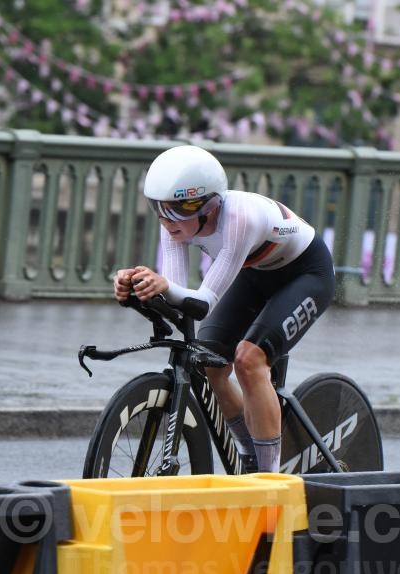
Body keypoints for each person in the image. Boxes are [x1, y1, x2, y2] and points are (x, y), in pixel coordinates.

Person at [114, 145, 335, 473]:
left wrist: (163, 286)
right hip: (255, 275)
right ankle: (248, 452)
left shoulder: (238, 219)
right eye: (159, 208)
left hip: (306, 274)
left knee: (249, 359)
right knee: (209, 365)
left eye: (177, 209)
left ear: (210, 205)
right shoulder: (174, 224)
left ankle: (269, 480)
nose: (167, 220)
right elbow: (181, 300)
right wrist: (138, 288)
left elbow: (202, 302)